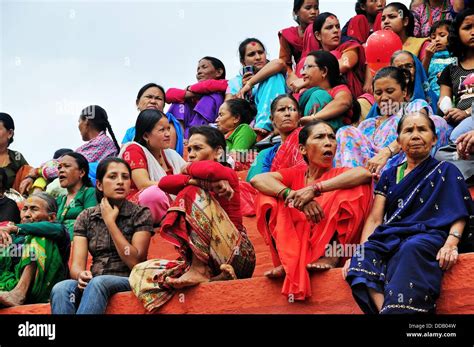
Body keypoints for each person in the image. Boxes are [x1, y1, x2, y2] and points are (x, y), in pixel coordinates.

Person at [342, 111, 473, 314]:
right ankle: (387, 310)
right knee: (362, 257)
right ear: (399, 141)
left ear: (434, 138)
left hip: (428, 235)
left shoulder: (446, 170)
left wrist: (451, 244)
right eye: (408, 130)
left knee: (410, 248)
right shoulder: (389, 175)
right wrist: (360, 249)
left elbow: (459, 212)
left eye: (422, 129)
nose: (415, 135)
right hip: (392, 235)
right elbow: (376, 218)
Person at [129, 126, 256, 312]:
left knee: (191, 193)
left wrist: (187, 171)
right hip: (213, 260)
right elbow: (164, 183)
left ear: (218, 152)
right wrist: (194, 180)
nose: (191, 154)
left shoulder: (226, 173)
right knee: (140, 272)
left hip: (238, 255)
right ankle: (216, 277)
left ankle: (199, 270)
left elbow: (212, 170)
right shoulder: (199, 179)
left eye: (198, 148)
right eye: (189, 149)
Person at [251, 120, 373, 300]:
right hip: (295, 241)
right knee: (267, 197)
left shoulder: (341, 173)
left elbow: (364, 174)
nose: (328, 142)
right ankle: (288, 261)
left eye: (331, 137)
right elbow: (258, 180)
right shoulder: (295, 174)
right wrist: (293, 195)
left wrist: (315, 189)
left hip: (329, 246)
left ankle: (331, 256)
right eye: (320, 137)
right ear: (302, 149)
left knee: (358, 189)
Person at [50, 158, 154, 314]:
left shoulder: (140, 214)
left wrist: (110, 222)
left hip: (128, 279)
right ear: (99, 184)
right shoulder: (86, 217)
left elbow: (135, 262)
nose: (120, 182)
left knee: (99, 283)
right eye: (112, 177)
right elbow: (77, 265)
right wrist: (81, 275)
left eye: (125, 177)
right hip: (95, 279)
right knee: (61, 288)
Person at [336, 66, 450, 174]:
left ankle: (406, 178)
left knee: (436, 122)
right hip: (368, 174)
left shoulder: (414, 106)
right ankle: (354, 185)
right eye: (378, 93)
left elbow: (421, 124)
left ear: (404, 91)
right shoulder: (367, 124)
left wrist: (387, 152)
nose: (384, 98)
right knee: (345, 131)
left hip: (400, 170)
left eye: (390, 91)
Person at [19, 105, 120, 195]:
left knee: (53, 179)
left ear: (86, 122)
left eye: (79, 121)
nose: (78, 125)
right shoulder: (98, 142)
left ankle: (37, 198)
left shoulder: (101, 142)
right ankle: (36, 196)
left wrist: (39, 172)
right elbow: (58, 164)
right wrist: (36, 173)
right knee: (50, 165)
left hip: (92, 186)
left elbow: (69, 168)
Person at [0, 193, 70, 306]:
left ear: (51, 217)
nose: (27, 214)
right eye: (25, 209)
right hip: (11, 284)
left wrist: (16, 228)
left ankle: (19, 293)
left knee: (39, 238)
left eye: (34, 209)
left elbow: (57, 229)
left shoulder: (58, 231)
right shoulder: (15, 238)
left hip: (44, 289)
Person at [119, 109, 186, 225]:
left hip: (170, 206)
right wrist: (179, 183)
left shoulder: (171, 154)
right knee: (153, 194)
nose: (168, 134)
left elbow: (188, 173)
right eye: (162, 130)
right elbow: (143, 184)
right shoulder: (134, 149)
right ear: (145, 135)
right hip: (138, 209)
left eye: (168, 129)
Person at [226, 38, 288, 139]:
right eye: (251, 54)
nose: (258, 57)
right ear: (243, 62)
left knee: (273, 76)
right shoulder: (235, 82)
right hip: (249, 123)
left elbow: (279, 63)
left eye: (261, 52)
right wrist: (244, 93)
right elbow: (226, 110)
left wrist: (250, 83)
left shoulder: (274, 69)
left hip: (275, 120)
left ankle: (265, 125)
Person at [167, 57, 227, 139]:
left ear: (219, 72)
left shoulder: (226, 84)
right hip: (186, 130)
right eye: (198, 69)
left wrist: (190, 89)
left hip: (208, 131)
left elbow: (208, 85)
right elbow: (168, 95)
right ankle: (178, 136)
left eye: (204, 67)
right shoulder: (195, 92)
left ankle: (196, 136)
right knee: (179, 102)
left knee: (210, 97)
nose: (199, 72)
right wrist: (191, 94)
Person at [438, 9, 474, 142]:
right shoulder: (451, 69)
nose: (473, 32)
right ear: (457, 33)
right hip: (456, 121)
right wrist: (450, 111)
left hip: (470, 118)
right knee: (434, 124)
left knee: (456, 136)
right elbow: (444, 99)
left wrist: (466, 113)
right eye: (467, 27)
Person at [299, 50, 359, 131]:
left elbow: (343, 102)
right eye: (303, 68)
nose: (303, 73)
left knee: (318, 95)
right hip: (312, 139)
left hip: (337, 137)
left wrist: (314, 118)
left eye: (308, 67)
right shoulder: (306, 94)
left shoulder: (339, 90)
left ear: (324, 71)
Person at [312, 12, 367, 97]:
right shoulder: (314, 57)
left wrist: (309, 79)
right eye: (329, 27)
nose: (335, 30)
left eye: (337, 27)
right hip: (327, 101)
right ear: (318, 35)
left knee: (334, 55)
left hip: (354, 100)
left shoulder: (350, 45)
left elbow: (346, 64)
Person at [122, 83, 184, 156]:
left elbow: (166, 156)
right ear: (137, 102)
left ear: (163, 105)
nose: (153, 101)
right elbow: (124, 155)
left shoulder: (169, 124)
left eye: (158, 98)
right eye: (149, 97)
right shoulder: (130, 132)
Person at [56, 153, 97, 239]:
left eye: (67, 166)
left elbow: (92, 224)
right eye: (59, 167)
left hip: (80, 244)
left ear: (81, 172)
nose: (61, 170)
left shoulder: (90, 193)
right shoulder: (60, 199)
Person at [279, 0, 320, 74]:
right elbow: (284, 63)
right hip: (300, 73)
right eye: (308, 8)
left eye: (316, 8)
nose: (313, 12)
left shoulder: (324, 30)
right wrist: (292, 76)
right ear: (296, 12)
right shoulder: (288, 34)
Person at [423, 20, 457, 97]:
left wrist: (446, 75)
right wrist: (427, 57)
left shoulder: (457, 55)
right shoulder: (429, 57)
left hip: (454, 96)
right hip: (432, 97)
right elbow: (422, 75)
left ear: (452, 36)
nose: (437, 39)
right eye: (433, 37)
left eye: (442, 35)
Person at [0, 113, 29, 191]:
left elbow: (29, 174)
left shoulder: (17, 157)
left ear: (10, 133)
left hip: (10, 201)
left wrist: (30, 178)